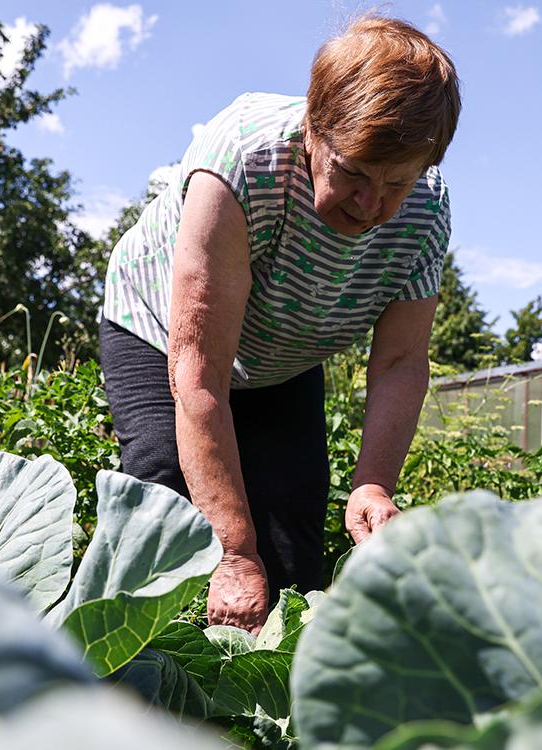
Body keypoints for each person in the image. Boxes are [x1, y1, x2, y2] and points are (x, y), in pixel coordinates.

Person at [98, 16, 460, 632]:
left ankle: (260, 717)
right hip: (163, 332)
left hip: (283, 353)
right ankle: (131, 687)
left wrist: (372, 484)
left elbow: (401, 362)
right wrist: (234, 552)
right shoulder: (241, 161)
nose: (372, 205)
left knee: (290, 537)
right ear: (314, 128)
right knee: (165, 493)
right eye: (353, 172)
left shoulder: (425, 210)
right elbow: (199, 371)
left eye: (396, 182)